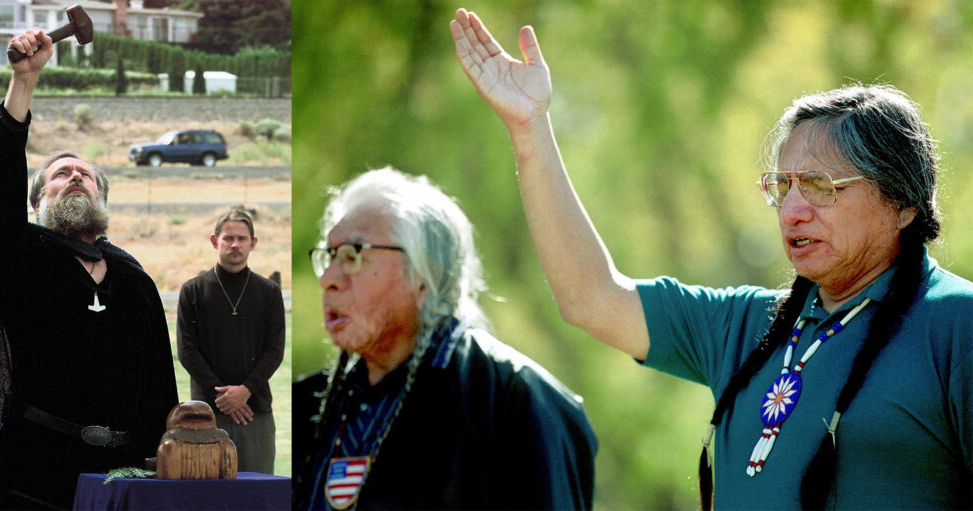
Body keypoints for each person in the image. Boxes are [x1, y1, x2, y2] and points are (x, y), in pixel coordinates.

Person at [451, 8, 972, 510]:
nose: (792, 210)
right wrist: (529, 128)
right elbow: (590, 297)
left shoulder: (955, 325)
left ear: (902, 202)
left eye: (820, 186)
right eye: (782, 186)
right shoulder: (749, 326)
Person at [0, 29, 178, 509]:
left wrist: (163, 457)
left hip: (123, 476)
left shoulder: (134, 280)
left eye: (86, 176)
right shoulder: (23, 257)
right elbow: (1, 184)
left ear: (102, 198)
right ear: (36, 202)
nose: (76, 176)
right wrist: (24, 81)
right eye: (61, 174)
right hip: (33, 473)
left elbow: (159, 385)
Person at [292, 167, 597, 510]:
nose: (329, 279)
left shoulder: (516, 401)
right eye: (329, 257)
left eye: (352, 255)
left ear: (424, 274)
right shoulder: (303, 407)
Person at [176, 207, 286, 474]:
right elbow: (187, 351)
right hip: (207, 415)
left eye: (242, 238)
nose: (235, 244)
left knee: (257, 494)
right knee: (208, 494)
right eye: (228, 238)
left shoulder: (269, 292)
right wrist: (223, 396)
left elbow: (275, 350)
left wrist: (246, 391)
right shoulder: (193, 290)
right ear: (214, 241)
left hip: (254, 411)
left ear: (253, 243)